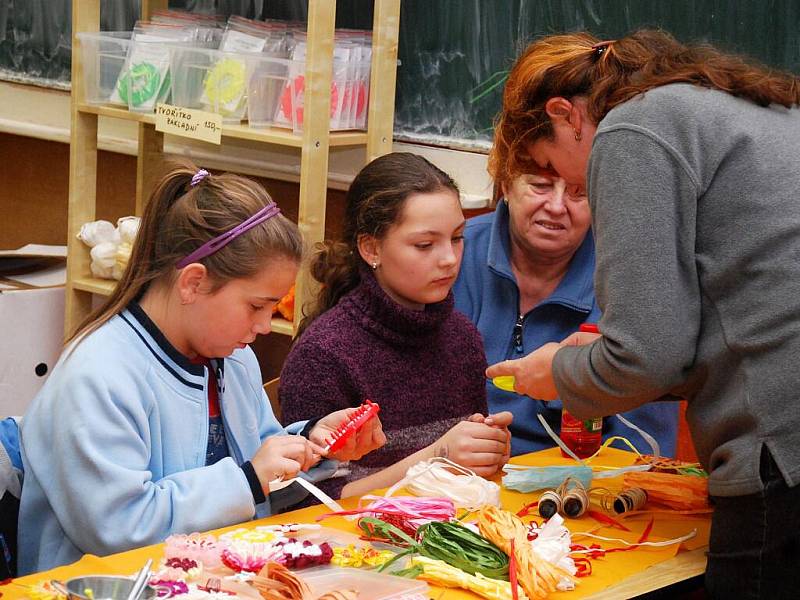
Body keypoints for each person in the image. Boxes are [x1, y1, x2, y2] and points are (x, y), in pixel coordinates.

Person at [485, 30, 800, 597]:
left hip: (782, 449)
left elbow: (644, 357)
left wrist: (554, 374)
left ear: (566, 114)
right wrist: (599, 360)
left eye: (560, 166)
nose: (575, 189)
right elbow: (694, 338)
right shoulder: (742, 107)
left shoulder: (630, 130)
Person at [18, 161, 384, 575]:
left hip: (213, 576)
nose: (265, 326)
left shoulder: (233, 357)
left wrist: (310, 445)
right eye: (256, 305)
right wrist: (249, 479)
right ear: (193, 282)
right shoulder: (97, 374)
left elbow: (257, 478)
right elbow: (118, 530)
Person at [280, 152, 512, 501]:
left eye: (458, 237)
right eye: (425, 244)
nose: (449, 258)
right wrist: (437, 457)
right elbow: (308, 504)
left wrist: (486, 449)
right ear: (371, 248)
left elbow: (464, 477)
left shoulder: (461, 337)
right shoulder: (322, 356)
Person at [454, 170, 679, 456]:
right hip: (446, 479)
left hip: (573, 488)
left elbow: (643, 451)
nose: (557, 206)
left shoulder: (631, 282)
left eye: (579, 192)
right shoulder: (451, 254)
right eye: (540, 185)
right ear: (506, 185)